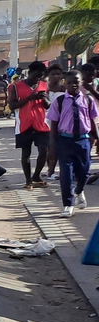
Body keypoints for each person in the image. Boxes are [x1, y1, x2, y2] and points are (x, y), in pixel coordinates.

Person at [48, 70, 98, 216]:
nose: (73, 85)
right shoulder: (60, 101)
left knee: (84, 172)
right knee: (66, 174)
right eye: (69, 82)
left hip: (83, 140)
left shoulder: (88, 100)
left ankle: (79, 190)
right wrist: (52, 147)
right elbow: (53, 125)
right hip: (65, 141)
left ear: (81, 82)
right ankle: (68, 204)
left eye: (76, 82)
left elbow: (93, 122)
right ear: (65, 83)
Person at [10, 61, 51, 189]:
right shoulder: (15, 87)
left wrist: (44, 99)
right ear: (30, 72)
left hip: (41, 124)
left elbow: (48, 105)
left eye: (41, 76)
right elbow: (11, 106)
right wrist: (29, 98)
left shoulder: (44, 85)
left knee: (43, 151)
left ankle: (36, 176)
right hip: (24, 124)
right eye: (36, 75)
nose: (38, 79)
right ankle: (28, 180)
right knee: (26, 153)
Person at [46, 63, 66, 178]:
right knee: (49, 146)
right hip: (46, 119)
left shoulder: (64, 89)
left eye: (58, 74)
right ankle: (50, 170)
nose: (56, 76)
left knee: (58, 146)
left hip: (61, 120)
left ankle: (56, 170)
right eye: (53, 74)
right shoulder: (45, 88)